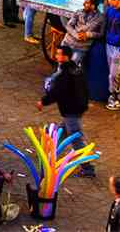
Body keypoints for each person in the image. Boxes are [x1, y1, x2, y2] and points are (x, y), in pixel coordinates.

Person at [38, 45, 94, 177]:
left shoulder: (65, 74)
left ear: (65, 57)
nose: (56, 56)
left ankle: (88, 168)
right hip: (76, 108)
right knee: (60, 132)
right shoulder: (76, 69)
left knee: (76, 139)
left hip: (71, 110)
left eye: (59, 54)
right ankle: (50, 156)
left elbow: (57, 92)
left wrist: (43, 101)